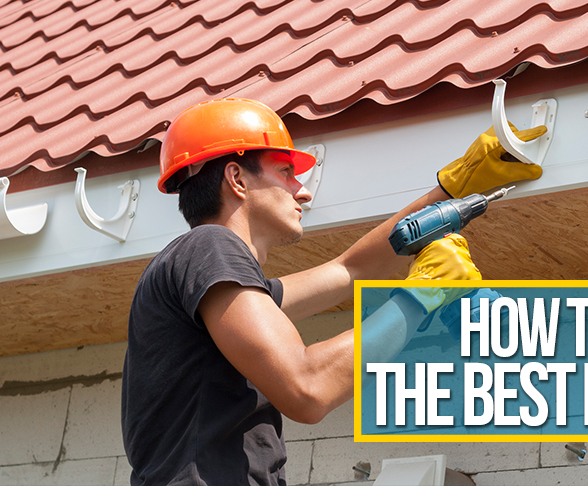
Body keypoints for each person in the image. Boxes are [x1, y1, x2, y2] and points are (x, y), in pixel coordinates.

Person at [120, 98, 546, 485]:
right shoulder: (209, 247)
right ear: (236, 177)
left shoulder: (216, 284)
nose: (301, 189)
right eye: (286, 172)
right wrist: (423, 297)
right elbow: (307, 387)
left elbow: (351, 269)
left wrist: (455, 190)